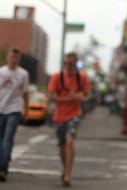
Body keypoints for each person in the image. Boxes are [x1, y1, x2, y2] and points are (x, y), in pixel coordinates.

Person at [0, 48, 29, 182]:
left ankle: (1, 168)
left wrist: (26, 110)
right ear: (7, 57)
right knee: (2, 141)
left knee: (7, 139)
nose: (14, 59)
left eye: (16, 57)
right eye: (11, 56)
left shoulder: (23, 74)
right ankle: (6, 158)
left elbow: (25, 93)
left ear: (19, 59)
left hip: (14, 109)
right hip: (0, 109)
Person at [48, 52, 90, 187]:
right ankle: (65, 168)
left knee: (70, 141)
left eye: (71, 64)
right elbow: (51, 97)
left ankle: (68, 175)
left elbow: (85, 97)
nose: (68, 66)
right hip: (59, 116)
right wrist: (68, 98)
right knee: (62, 146)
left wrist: (76, 96)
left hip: (74, 114)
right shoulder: (57, 76)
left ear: (76, 64)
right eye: (65, 63)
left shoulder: (81, 78)